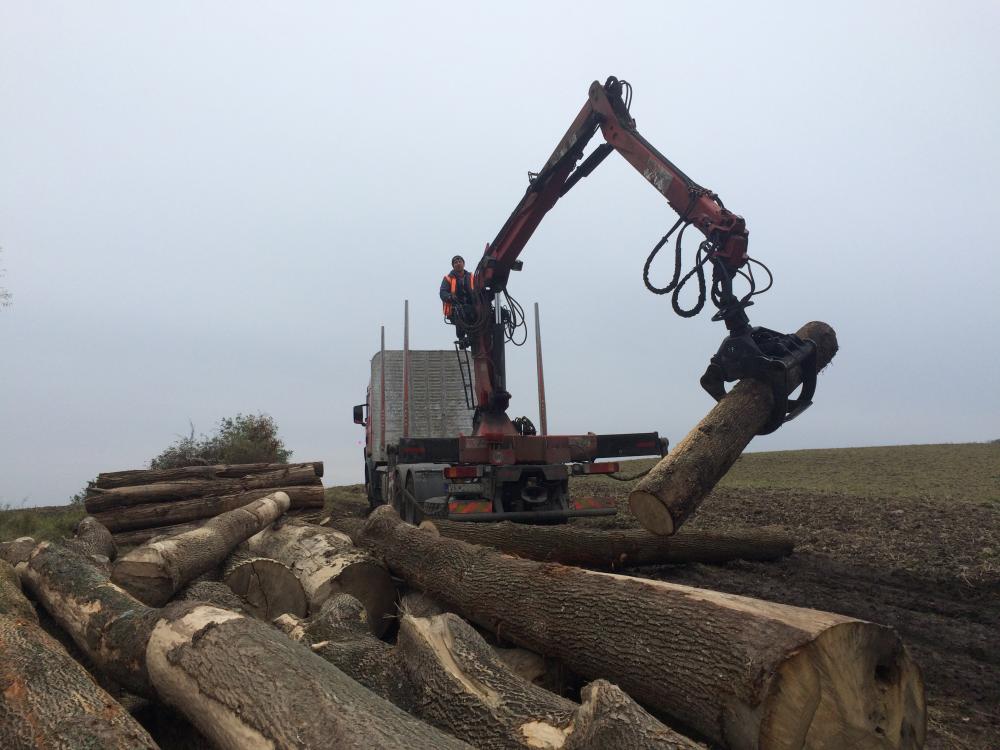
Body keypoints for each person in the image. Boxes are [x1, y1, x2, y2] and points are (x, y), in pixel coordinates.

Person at [440, 255, 476, 348]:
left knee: (476, 313)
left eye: (460, 261)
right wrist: (450, 297)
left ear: (463, 263)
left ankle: (473, 336)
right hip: (455, 307)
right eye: (455, 262)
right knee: (459, 312)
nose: (458, 263)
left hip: (470, 305)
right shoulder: (448, 278)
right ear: (453, 266)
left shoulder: (471, 277)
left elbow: (479, 288)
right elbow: (443, 292)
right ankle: (461, 338)